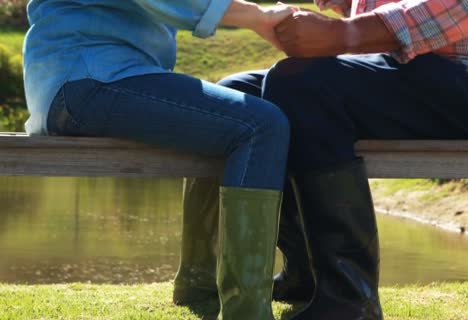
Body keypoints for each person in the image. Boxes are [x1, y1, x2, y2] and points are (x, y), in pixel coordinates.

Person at [176, 0, 468, 319]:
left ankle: (352, 298)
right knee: (238, 98)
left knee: (299, 86)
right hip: (396, 66)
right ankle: (304, 274)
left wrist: (336, 34)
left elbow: (455, 9)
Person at [23, 0, 299, 319]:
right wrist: (258, 16)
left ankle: (199, 287)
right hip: (91, 77)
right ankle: (246, 312)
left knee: (230, 126)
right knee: (261, 125)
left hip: (85, 79)